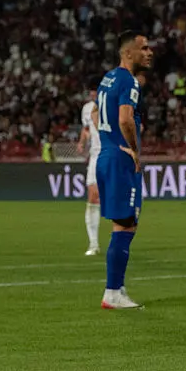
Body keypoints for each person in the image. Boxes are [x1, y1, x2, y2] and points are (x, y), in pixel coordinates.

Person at [95, 31, 153, 310]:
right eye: (144, 48)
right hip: (120, 159)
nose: (149, 52)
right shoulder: (129, 80)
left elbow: (99, 116)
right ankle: (113, 292)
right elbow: (125, 119)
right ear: (128, 53)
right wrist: (133, 149)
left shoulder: (107, 79)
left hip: (106, 156)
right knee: (126, 224)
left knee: (124, 223)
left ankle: (116, 287)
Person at [76, 82, 102, 256]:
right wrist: (82, 141)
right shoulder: (86, 109)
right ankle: (93, 243)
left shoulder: (113, 106)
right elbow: (86, 129)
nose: (93, 96)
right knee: (93, 195)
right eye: (91, 92)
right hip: (95, 155)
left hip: (113, 154)